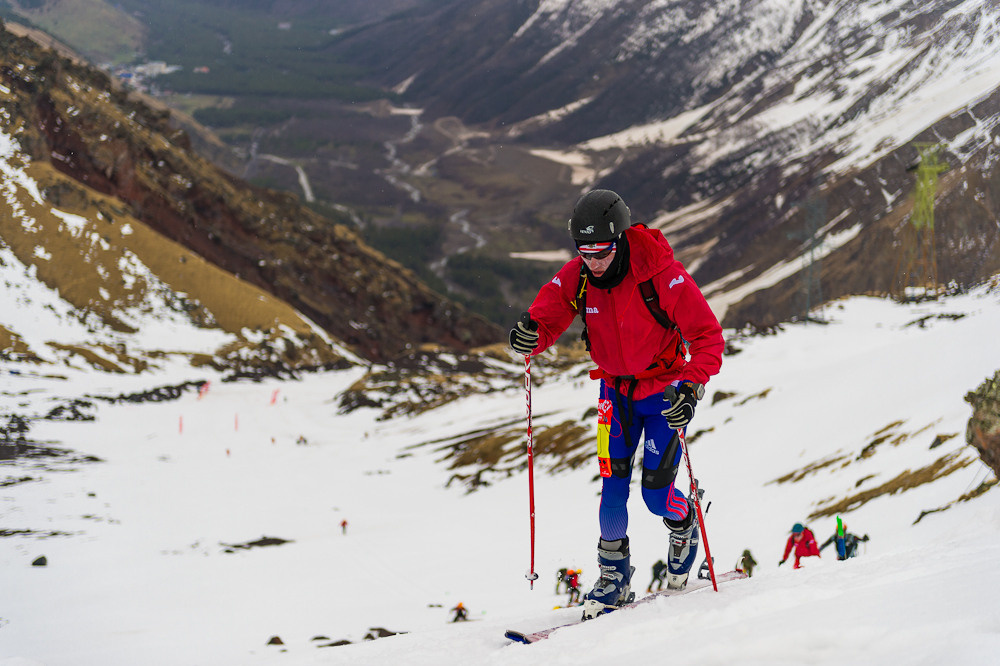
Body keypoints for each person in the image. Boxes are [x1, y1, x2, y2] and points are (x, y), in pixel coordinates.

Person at [509, 190, 724, 619]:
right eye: (584, 252)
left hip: (662, 394)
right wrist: (531, 334)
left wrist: (689, 388)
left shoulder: (661, 274)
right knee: (611, 489)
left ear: (620, 239)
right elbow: (549, 313)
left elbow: (707, 338)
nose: (594, 261)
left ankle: (683, 525)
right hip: (614, 397)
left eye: (602, 251)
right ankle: (613, 576)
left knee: (655, 495)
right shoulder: (580, 275)